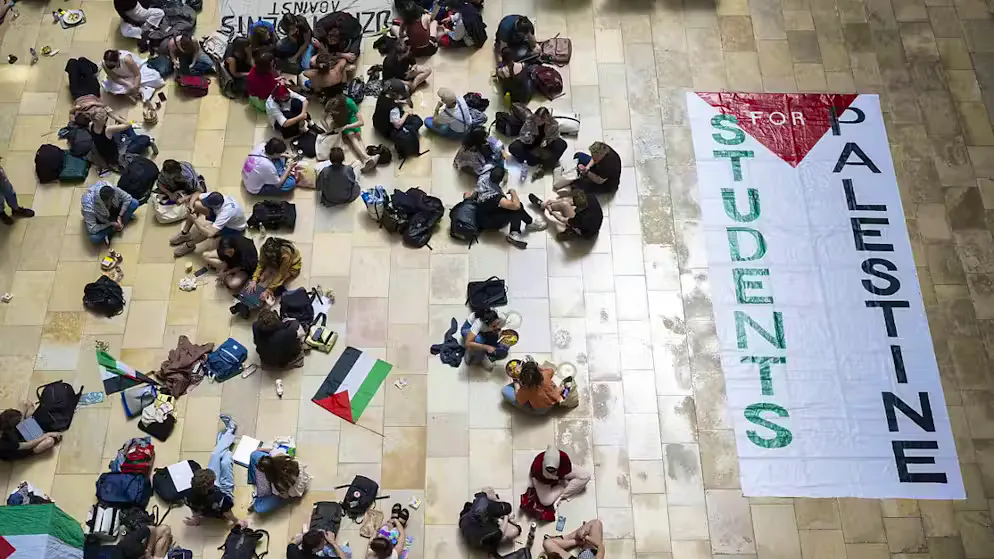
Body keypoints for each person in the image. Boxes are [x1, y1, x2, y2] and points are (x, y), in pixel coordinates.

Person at [184, 415, 246, 527]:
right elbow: (227, 512)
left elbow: (193, 509)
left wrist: (196, 520)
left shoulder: (188, 494)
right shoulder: (219, 499)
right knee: (226, 460)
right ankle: (226, 437)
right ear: (210, 486)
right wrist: (237, 521)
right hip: (224, 492)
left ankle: (229, 431)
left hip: (212, 494)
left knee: (216, 455)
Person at [466, 166, 545, 248]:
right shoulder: (494, 196)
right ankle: (514, 233)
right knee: (517, 209)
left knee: (515, 207)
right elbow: (516, 206)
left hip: (483, 211)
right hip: (487, 220)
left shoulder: (483, 177)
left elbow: (477, 191)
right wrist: (513, 192)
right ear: (500, 180)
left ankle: (529, 223)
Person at [520, 445, 591, 521]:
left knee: (585, 476)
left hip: (560, 476)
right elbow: (541, 480)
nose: (551, 472)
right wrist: (559, 482)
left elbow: (567, 471)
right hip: (543, 481)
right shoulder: (537, 466)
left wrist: (558, 478)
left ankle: (561, 495)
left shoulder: (564, 459)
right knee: (546, 501)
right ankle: (562, 489)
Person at [170, 191, 248, 257]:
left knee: (208, 229)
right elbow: (197, 194)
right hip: (219, 214)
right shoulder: (216, 196)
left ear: (216, 206)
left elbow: (209, 233)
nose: (205, 205)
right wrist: (191, 206)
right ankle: (184, 233)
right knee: (196, 204)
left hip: (234, 228)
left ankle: (190, 245)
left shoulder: (226, 213)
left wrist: (194, 220)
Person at [321, 94, 378, 170]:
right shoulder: (330, 104)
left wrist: (346, 127)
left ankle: (366, 159)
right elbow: (322, 119)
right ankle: (367, 159)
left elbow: (361, 122)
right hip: (340, 121)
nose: (333, 113)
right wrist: (328, 129)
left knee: (357, 135)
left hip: (350, 118)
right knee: (352, 136)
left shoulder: (349, 102)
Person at [509, 107, 567, 180]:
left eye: (540, 120)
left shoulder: (553, 125)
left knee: (562, 144)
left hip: (545, 146)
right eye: (536, 119)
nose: (537, 122)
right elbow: (522, 135)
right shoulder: (529, 121)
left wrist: (548, 141)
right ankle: (537, 160)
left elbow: (555, 136)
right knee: (514, 147)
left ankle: (544, 166)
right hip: (530, 145)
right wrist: (527, 137)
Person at [459, 488, 521, 553]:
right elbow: (500, 533)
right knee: (513, 531)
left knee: (489, 491)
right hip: (475, 539)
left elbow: (485, 490)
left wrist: (496, 500)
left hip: (465, 522)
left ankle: (500, 514)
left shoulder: (482, 501)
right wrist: (506, 517)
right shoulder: (493, 531)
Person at [242, 138, 311, 195]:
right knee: (290, 184)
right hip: (255, 189)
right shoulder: (267, 166)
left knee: (281, 159)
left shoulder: (262, 145)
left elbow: (275, 156)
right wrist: (289, 167)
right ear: (274, 153)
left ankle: (280, 172)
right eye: (280, 153)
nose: (282, 154)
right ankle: (281, 172)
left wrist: (284, 155)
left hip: (251, 175)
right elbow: (278, 184)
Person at [530, 189, 603, 242]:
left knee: (564, 205)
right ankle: (544, 205)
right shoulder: (590, 197)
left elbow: (563, 220)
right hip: (595, 222)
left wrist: (551, 212)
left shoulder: (580, 218)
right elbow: (571, 201)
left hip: (585, 232)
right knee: (564, 204)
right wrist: (555, 201)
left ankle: (571, 231)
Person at [553, 143, 623, 194]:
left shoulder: (608, 166)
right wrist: (587, 167)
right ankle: (575, 176)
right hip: (598, 169)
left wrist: (586, 173)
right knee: (578, 156)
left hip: (606, 184)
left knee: (580, 184)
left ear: (601, 156)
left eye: (596, 159)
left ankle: (570, 187)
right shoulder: (604, 149)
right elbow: (593, 159)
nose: (593, 159)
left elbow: (599, 181)